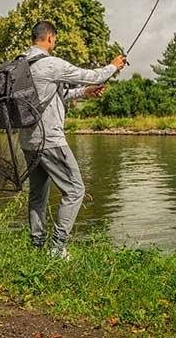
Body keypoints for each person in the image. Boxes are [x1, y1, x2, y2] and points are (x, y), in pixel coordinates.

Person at [19, 20, 126, 260]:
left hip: (27, 141)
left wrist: (85, 92)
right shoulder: (50, 64)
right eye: (54, 39)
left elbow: (55, 94)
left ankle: (36, 245)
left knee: (37, 194)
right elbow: (90, 75)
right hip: (50, 141)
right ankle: (57, 249)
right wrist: (113, 67)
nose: (54, 43)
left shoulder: (22, 63)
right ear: (49, 38)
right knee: (75, 190)